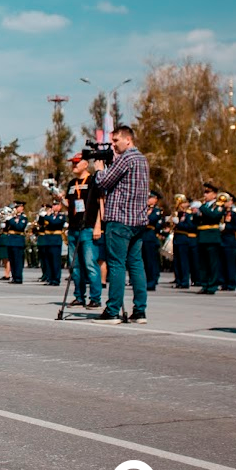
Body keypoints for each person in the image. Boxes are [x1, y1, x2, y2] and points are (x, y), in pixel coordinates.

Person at [93, 125, 150, 324]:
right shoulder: (142, 159)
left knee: (116, 264)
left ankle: (112, 311)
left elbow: (103, 182)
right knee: (135, 264)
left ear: (128, 139)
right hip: (138, 221)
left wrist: (99, 170)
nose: (113, 146)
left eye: (116, 141)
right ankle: (139, 311)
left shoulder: (126, 158)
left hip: (120, 220)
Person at [63, 153, 103, 309]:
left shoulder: (94, 181)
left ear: (85, 164)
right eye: (72, 163)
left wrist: (98, 225)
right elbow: (69, 204)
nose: (73, 166)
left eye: (76, 163)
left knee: (90, 263)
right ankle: (79, 296)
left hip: (88, 227)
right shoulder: (72, 183)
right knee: (75, 266)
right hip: (73, 227)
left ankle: (95, 298)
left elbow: (101, 204)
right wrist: (60, 198)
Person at [195, 183, 224, 295]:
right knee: (203, 264)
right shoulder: (205, 206)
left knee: (213, 263)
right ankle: (205, 284)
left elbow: (214, 216)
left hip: (212, 237)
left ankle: (212, 286)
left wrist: (201, 208)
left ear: (214, 194)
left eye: (208, 192)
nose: (205, 194)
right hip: (202, 237)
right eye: (204, 192)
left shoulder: (218, 206)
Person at [38, 201, 66, 286]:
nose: (54, 207)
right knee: (48, 260)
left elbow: (54, 223)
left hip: (55, 240)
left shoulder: (61, 216)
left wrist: (47, 216)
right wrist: (42, 215)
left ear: (60, 206)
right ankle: (50, 278)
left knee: (55, 261)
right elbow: (41, 223)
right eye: (53, 205)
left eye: (56, 205)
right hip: (47, 239)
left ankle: (56, 279)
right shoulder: (49, 216)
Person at [143, 191, 163, 291]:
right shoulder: (143, 209)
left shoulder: (157, 211)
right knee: (144, 261)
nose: (148, 199)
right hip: (142, 236)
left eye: (150, 198)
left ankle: (151, 281)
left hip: (150, 237)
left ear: (155, 199)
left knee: (151, 261)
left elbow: (151, 220)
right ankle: (144, 281)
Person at [2, 201, 27, 284]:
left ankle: (18, 277)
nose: (15, 209)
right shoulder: (12, 217)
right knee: (12, 260)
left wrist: (11, 220)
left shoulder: (23, 217)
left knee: (18, 261)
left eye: (17, 207)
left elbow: (19, 227)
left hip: (18, 240)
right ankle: (14, 277)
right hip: (11, 240)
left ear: (21, 208)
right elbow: (6, 228)